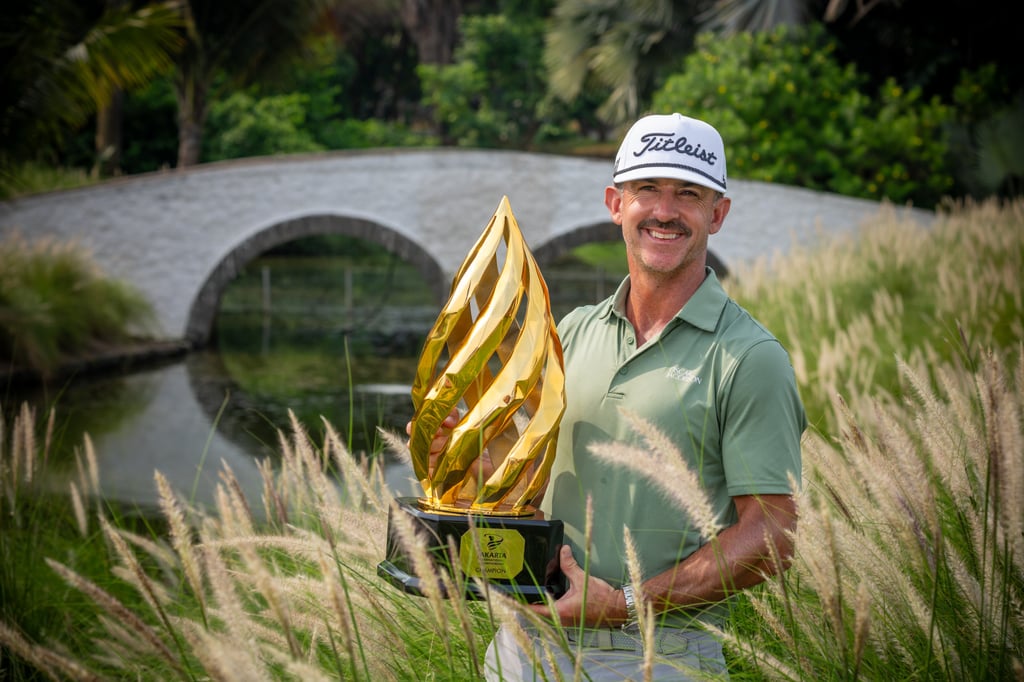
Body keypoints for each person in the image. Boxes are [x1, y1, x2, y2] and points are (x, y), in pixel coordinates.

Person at [419, 113, 806, 680]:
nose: (665, 211)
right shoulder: (570, 332)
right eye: (647, 189)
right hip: (523, 647)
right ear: (615, 203)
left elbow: (775, 531)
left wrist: (626, 605)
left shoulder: (749, 357)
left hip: (656, 657)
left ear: (717, 214)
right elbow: (525, 485)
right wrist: (463, 463)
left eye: (688, 194)